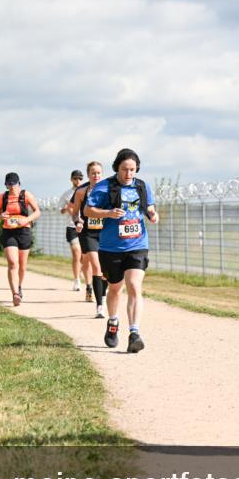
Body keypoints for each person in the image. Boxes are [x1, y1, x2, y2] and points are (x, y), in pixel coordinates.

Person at [84, 148, 158, 352]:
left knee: (134, 285)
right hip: (111, 247)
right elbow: (88, 211)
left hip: (138, 244)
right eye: (125, 169)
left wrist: (153, 214)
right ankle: (113, 322)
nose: (129, 174)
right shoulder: (104, 187)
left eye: (133, 169)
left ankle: (134, 333)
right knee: (115, 289)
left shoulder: (142, 186)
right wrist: (108, 213)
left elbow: (149, 207)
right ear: (117, 168)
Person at [0, 172, 41, 306]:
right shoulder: (2, 197)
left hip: (24, 231)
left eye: (13, 184)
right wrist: (0, 216)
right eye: (9, 184)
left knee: (22, 265)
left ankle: (19, 286)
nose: (11, 187)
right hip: (8, 232)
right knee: (13, 263)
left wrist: (27, 219)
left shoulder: (26, 195)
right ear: (6, 185)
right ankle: (15, 293)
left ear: (19, 183)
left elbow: (37, 211)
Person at [71, 161, 108, 317]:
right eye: (93, 173)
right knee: (96, 266)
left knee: (106, 270)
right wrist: (77, 221)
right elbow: (74, 212)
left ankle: (104, 296)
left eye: (99, 173)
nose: (96, 176)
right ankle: (100, 306)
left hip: (106, 232)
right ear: (88, 175)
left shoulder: (109, 190)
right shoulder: (81, 191)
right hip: (88, 233)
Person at [58, 169, 86, 291]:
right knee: (76, 252)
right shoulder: (67, 194)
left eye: (80, 178)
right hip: (72, 226)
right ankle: (77, 280)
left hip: (85, 226)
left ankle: (84, 276)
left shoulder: (87, 191)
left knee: (85, 256)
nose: (77, 181)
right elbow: (60, 209)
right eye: (75, 178)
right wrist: (65, 209)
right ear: (71, 179)